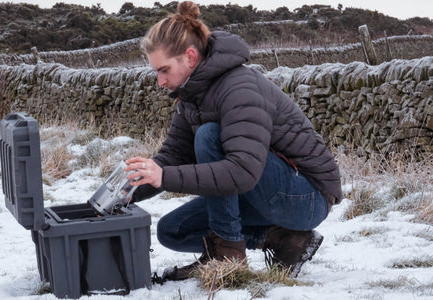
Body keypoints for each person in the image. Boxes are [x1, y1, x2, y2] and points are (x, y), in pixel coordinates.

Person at [124, 1, 342, 280]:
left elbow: (241, 171)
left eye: (163, 70)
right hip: (265, 191)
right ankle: (284, 240)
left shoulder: (239, 87)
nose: (160, 81)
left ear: (190, 57)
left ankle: (227, 256)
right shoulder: (192, 95)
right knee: (173, 230)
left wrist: (164, 176)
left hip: (306, 197)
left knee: (208, 136)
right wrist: (125, 192)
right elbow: (173, 155)